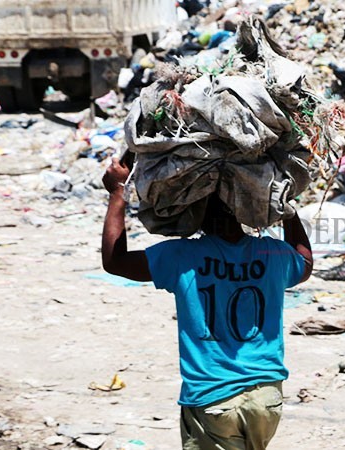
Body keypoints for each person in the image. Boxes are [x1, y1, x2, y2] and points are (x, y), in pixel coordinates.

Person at [100, 157, 313, 450]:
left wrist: (117, 193)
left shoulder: (181, 256)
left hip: (213, 396)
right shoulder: (273, 254)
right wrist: (285, 205)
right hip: (266, 397)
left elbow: (115, 262)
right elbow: (305, 262)